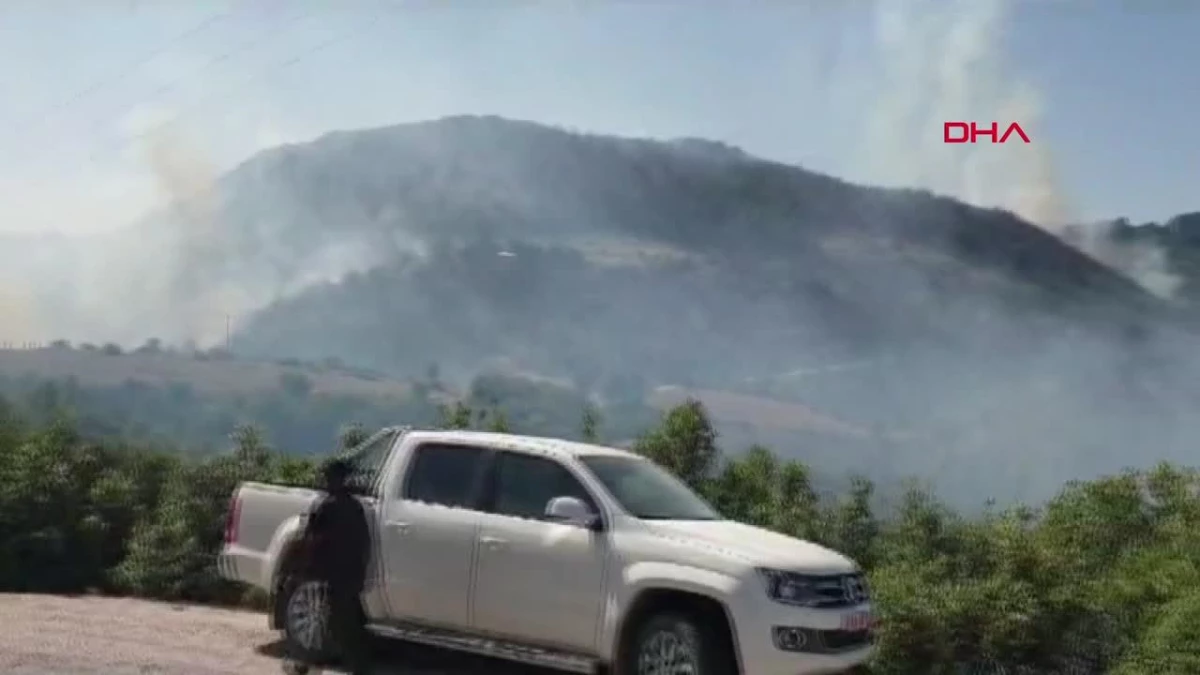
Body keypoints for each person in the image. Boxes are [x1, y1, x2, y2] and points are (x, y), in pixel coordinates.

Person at [284, 459, 374, 675]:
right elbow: (364, 543)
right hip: (351, 575)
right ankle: (350, 665)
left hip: (328, 574)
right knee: (343, 622)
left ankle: (307, 665)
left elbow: (310, 539)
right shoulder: (356, 507)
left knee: (327, 623)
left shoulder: (325, 506)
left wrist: (301, 571)